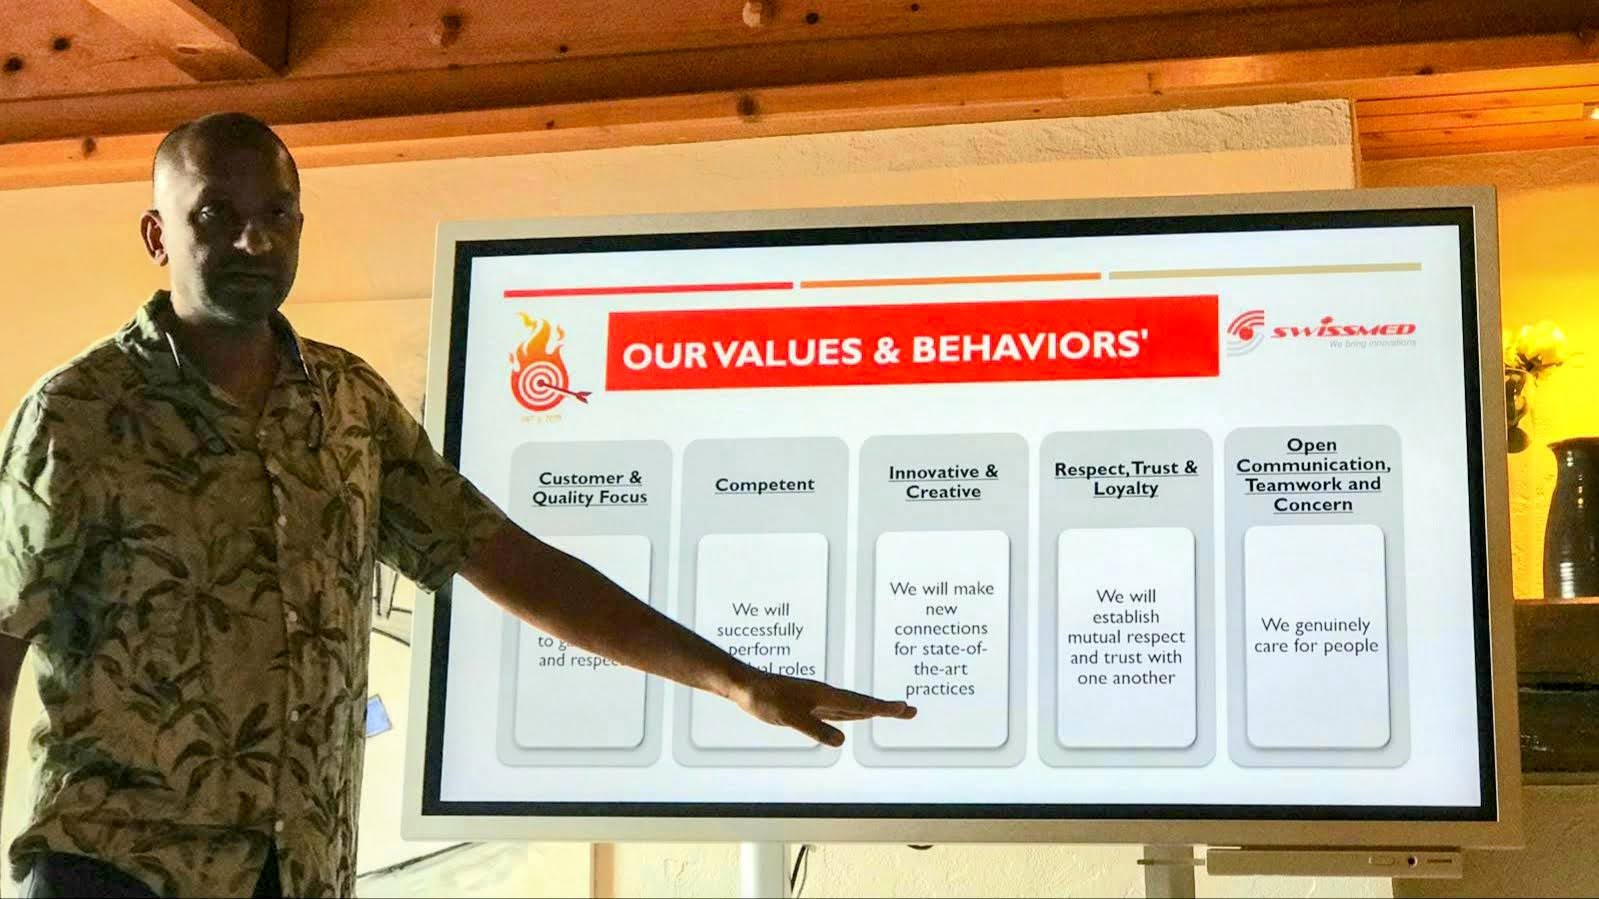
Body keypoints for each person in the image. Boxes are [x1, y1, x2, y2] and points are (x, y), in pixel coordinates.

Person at [0, 112, 915, 899]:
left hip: (299, 872)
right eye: (216, 215)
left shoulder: (347, 403)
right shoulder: (79, 415)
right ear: (158, 234)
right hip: (118, 871)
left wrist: (735, 680)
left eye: (275, 214)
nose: (253, 242)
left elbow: (508, 557)